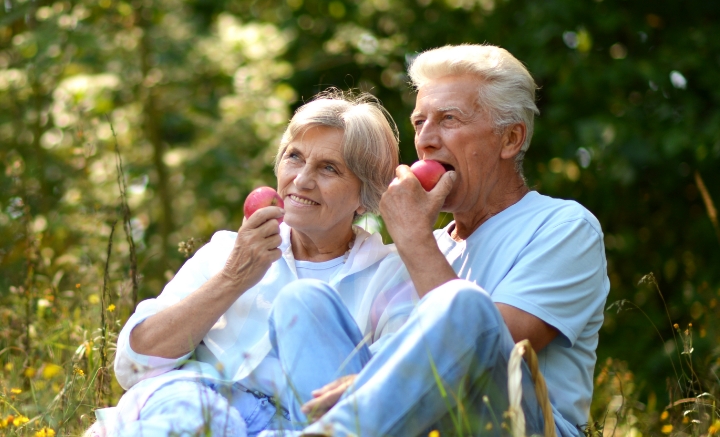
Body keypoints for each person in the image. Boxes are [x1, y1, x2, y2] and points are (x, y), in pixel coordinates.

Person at [278, 44, 610, 437]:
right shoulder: (426, 245)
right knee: (303, 302)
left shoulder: (564, 227)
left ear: (510, 139)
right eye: (419, 123)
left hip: (521, 425)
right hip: (414, 420)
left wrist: (414, 239)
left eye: (448, 119)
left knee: (464, 304)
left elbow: (483, 354)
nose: (426, 140)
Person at [86, 91, 417, 437]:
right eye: (294, 157)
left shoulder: (390, 274)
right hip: (195, 399)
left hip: (290, 426)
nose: (301, 180)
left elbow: (395, 390)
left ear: (365, 196)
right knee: (199, 421)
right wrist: (233, 277)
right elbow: (133, 366)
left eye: (329, 168)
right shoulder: (226, 251)